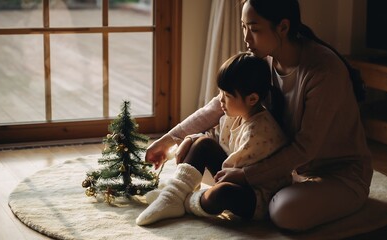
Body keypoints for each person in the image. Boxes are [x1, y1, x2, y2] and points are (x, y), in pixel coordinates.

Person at [141, 0, 373, 232]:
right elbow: (219, 105)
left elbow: (305, 149)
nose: (246, 38)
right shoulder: (266, 58)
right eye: (243, 27)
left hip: (340, 176)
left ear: (283, 27)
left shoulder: (323, 71)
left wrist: (246, 175)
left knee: (283, 212)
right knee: (198, 147)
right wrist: (169, 139)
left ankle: (191, 202)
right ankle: (173, 198)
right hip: (290, 173)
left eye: (254, 28)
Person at [136, 51, 288, 225]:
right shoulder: (234, 114)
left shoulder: (259, 131)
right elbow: (212, 139)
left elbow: (229, 175)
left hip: (256, 195)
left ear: (252, 99)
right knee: (203, 143)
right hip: (232, 173)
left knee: (221, 193)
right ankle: (174, 194)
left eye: (228, 96)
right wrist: (192, 140)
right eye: (221, 93)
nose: (221, 100)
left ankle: (181, 200)